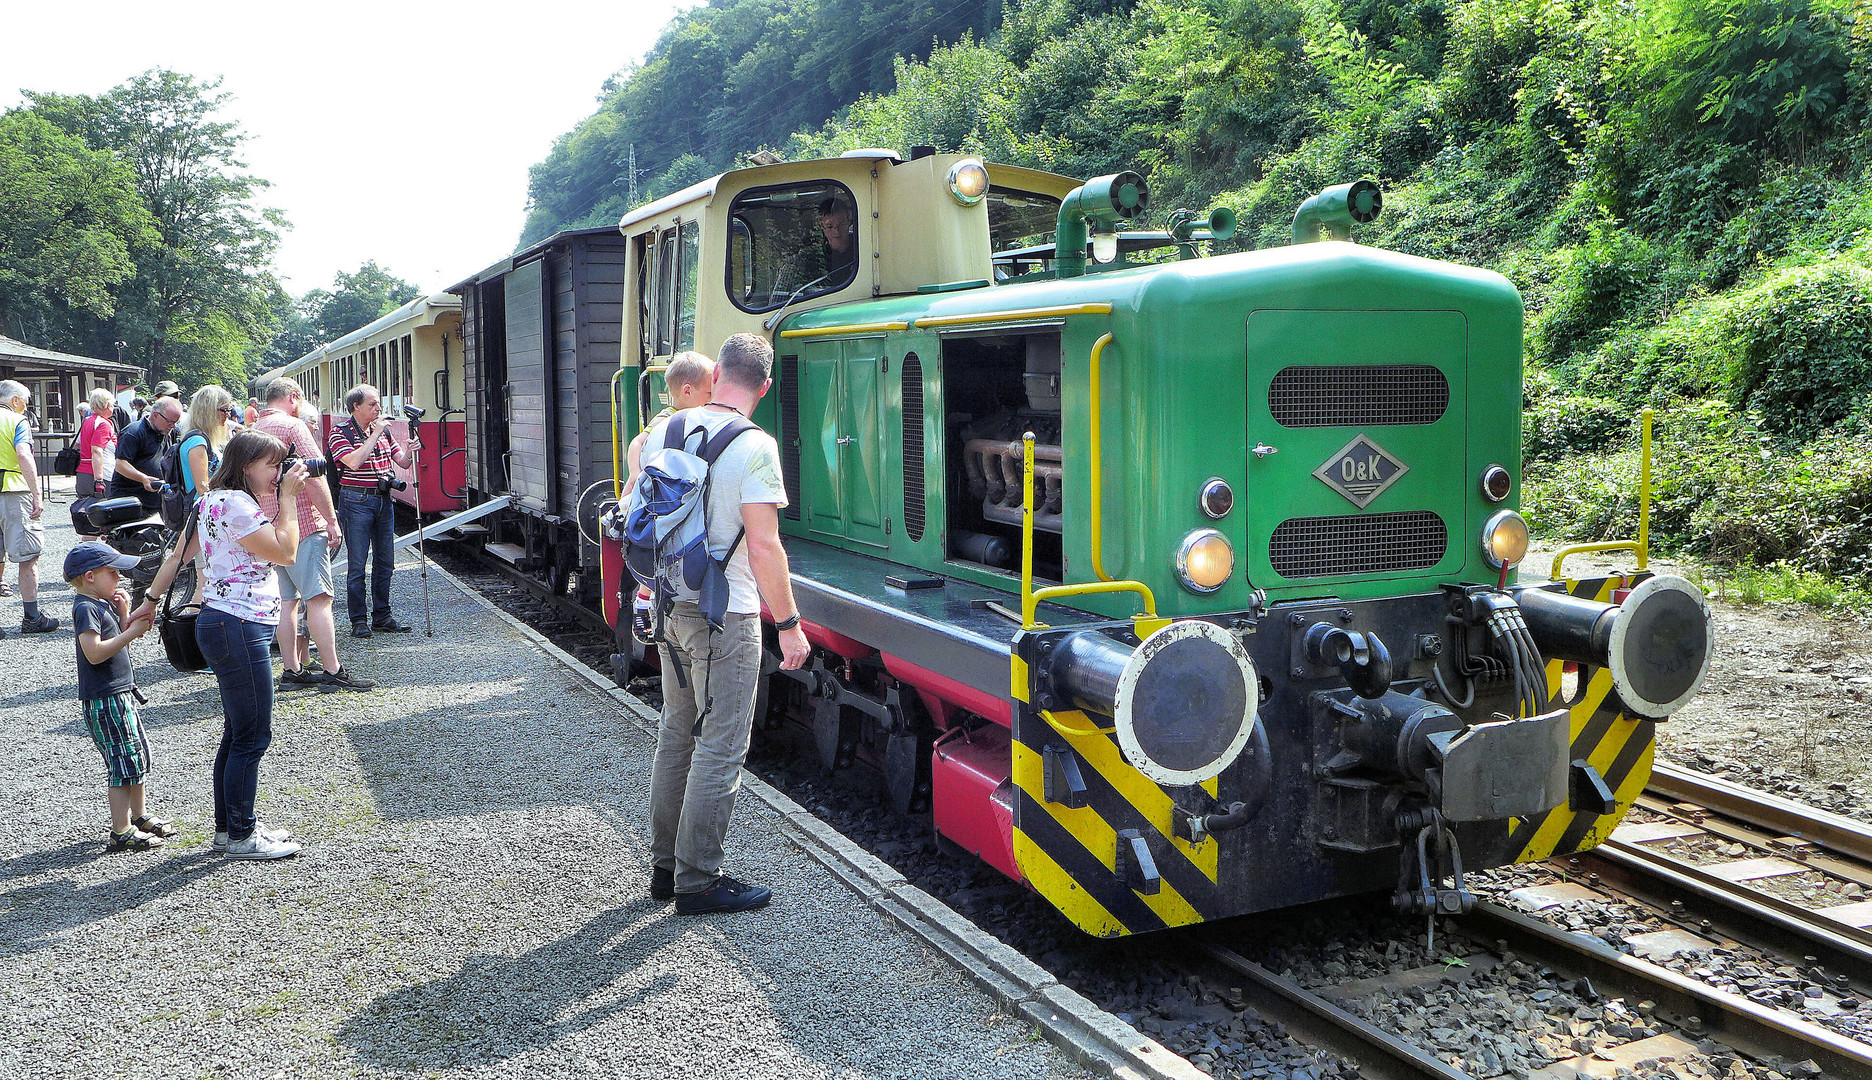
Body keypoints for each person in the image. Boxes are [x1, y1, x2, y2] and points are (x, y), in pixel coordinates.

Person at [645, 333, 810, 916]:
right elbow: (765, 547)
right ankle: (698, 880)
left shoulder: (660, 433)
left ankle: (665, 869)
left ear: (715, 372)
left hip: (668, 604)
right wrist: (788, 623)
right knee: (720, 745)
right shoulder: (756, 446)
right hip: (728, 613)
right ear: (762, 388)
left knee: (675, 731)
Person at [137, 431, 304, 860]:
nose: (278, 473)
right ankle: (242, 836)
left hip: (225, 624)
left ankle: (229, 829)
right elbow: (285, 552)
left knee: (237, 732)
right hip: (238, 626)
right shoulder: (237, 504)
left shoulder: (210, 501)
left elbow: (177, 557)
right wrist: (288, 501)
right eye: (272, 464)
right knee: (252, 734)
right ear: (246, 465)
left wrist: (151, 601)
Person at [251, 377, 370, 691]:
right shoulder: (293, 427)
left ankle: (292, 670)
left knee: (286, 603)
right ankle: (333, 670)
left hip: (268, 530)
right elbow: (316, 478)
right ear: (294, 397)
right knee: (319, 599)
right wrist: (331, 520)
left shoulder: (250, 433)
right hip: (303, 525)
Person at [66, 541, 171, 852]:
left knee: (135, 756)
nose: (120, 579)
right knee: (121, 762)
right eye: (113, 573)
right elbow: (94, 654)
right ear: (89, 576)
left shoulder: (101, 604)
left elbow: (117, 644)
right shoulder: (85, 609)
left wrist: (124, 613)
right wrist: (131, 632)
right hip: (105, 698)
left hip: (120, 694)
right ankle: (120, 830)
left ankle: (139, 815)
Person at [623, 352, 713, 640]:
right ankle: (642, 600)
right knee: (659, 542)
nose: (713, 397)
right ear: (687, 391)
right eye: (709, 392)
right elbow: (638, 441)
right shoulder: (668, 418)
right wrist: (636, 473)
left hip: (676, 494)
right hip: (664, 495)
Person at [327, 383, 420, 637]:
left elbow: (401, 461)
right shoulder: (340, 433)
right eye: (372, 404)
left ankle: (382, 616)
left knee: (386, 562)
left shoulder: (383, 433)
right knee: (357, 564)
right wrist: (375, 433)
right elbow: (354, 462)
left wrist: (410, 452)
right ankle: (358, 620)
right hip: (356, 501)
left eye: (378, 403)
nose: (379, 408)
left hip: (383, 500)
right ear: (355, 407)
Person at [0, 381, 56, 634]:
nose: (26, 405)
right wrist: (37, 495)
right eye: (25, 400)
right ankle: (32, 617)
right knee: (29, 556)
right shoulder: (16, 421)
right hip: (12, 490)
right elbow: (23, 454)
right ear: (14, 400)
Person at [107, 397, 181, 513]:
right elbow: (120, 464)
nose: (173, 426)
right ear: (155, 415)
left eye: (175, 422)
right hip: (131, 502)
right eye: (170, 421)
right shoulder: (133, 432)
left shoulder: (168, 433)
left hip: (155, 502)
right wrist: (143, 478)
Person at [75, 387, 118, 508]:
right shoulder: (104, 424)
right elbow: (97, 450)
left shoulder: (87, 420)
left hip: (83, 473)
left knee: (85, 513)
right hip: (100, 474)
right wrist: (99, 480)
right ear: (107, 405)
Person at [817, 196, 858, 280]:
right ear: (822, 225)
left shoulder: (862, 249)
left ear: (849, 221)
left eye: (841, 224)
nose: (837, 232)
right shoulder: (815, 256)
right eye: (830, 226)